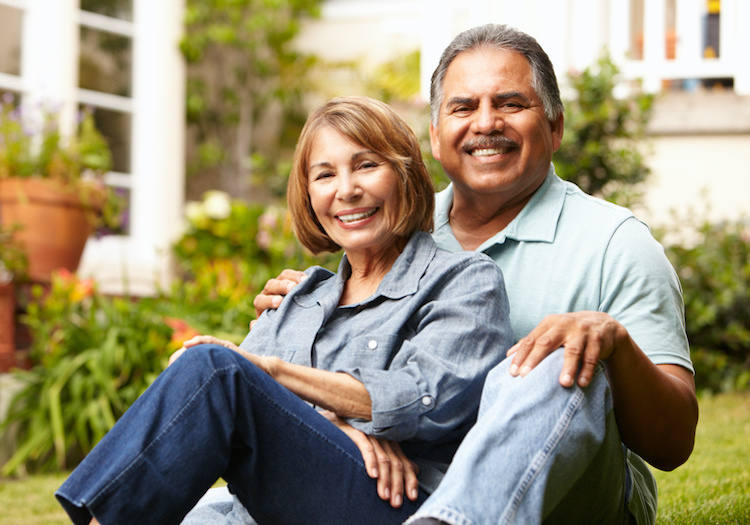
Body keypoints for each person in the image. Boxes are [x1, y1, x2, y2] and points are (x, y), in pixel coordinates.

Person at [255, 24, 698, 524]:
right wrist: (309, 319)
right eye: (463, 108)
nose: (486, 123)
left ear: (555, 127)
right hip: (399, 488)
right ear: (436, 136)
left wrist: (614, 345)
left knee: (559, 351)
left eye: (511, 104)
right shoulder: (388, 230)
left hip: (565, 500)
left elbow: (674, 441)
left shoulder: (615, 242)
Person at [54, 96, 515, 525]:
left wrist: (275, 374)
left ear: (406, 174)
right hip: (287, 502)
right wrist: (334, 426)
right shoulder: (300, 297)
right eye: (325, 175)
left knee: (217, 368)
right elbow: (225, 405)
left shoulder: (465, 280)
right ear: (309, 195)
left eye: (367, 165)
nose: (347, 190)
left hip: (397, 499)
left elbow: (424, 397)